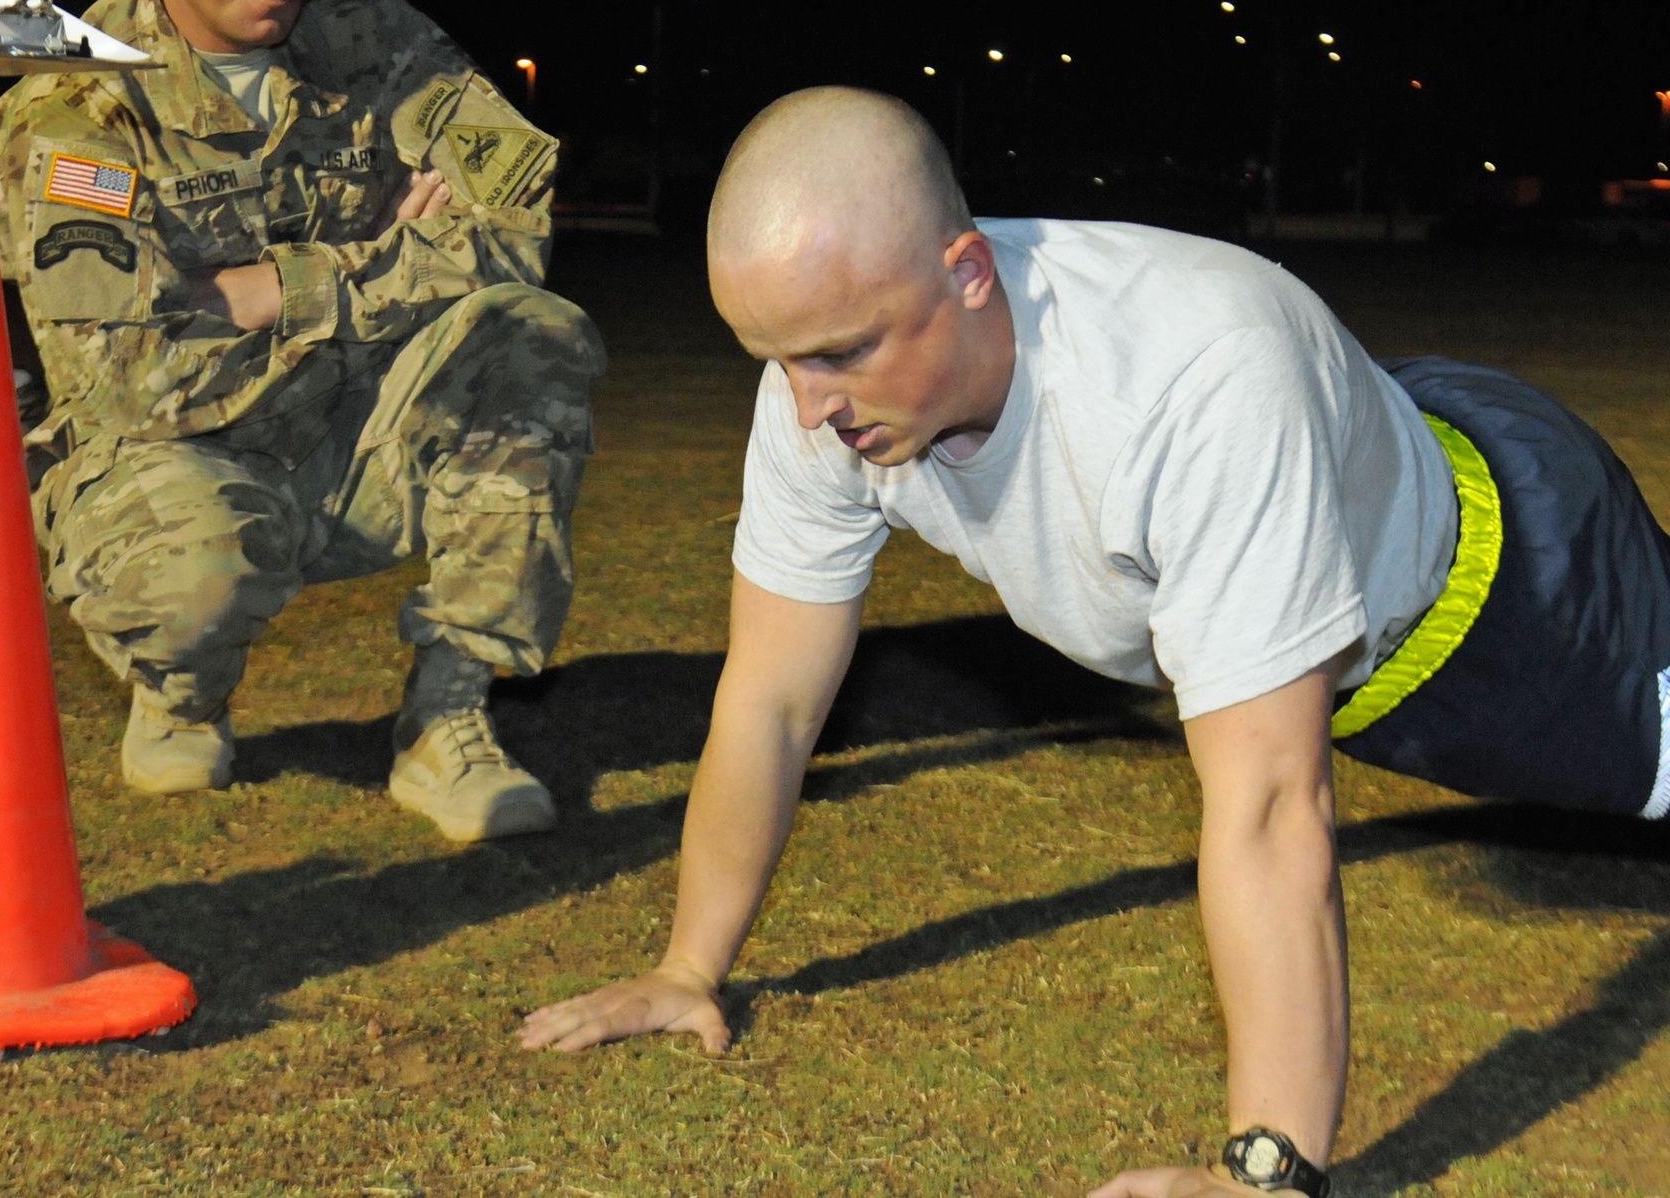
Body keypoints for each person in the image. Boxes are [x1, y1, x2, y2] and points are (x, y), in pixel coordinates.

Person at [518, 87, 1670, 1196]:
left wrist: (1264, 1170)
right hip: (1364, 464)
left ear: (966, 273)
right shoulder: (820, 392)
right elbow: (769, 701)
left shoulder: (1193, 381)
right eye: (775, 358)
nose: (808, 407)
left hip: (1520, 588)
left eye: (838, 352)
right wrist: (686, 966)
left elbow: (1269, 801)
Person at [0, 0, 605, 839]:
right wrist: (395, 256)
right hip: (171, 464)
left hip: (357, 432)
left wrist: (281, 287)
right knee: (194, 566)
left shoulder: (376, 36)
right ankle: (181, 695)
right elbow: (132, 375)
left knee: (534, 340)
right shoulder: (76, 102)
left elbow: (516, 227)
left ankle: (446, 716)